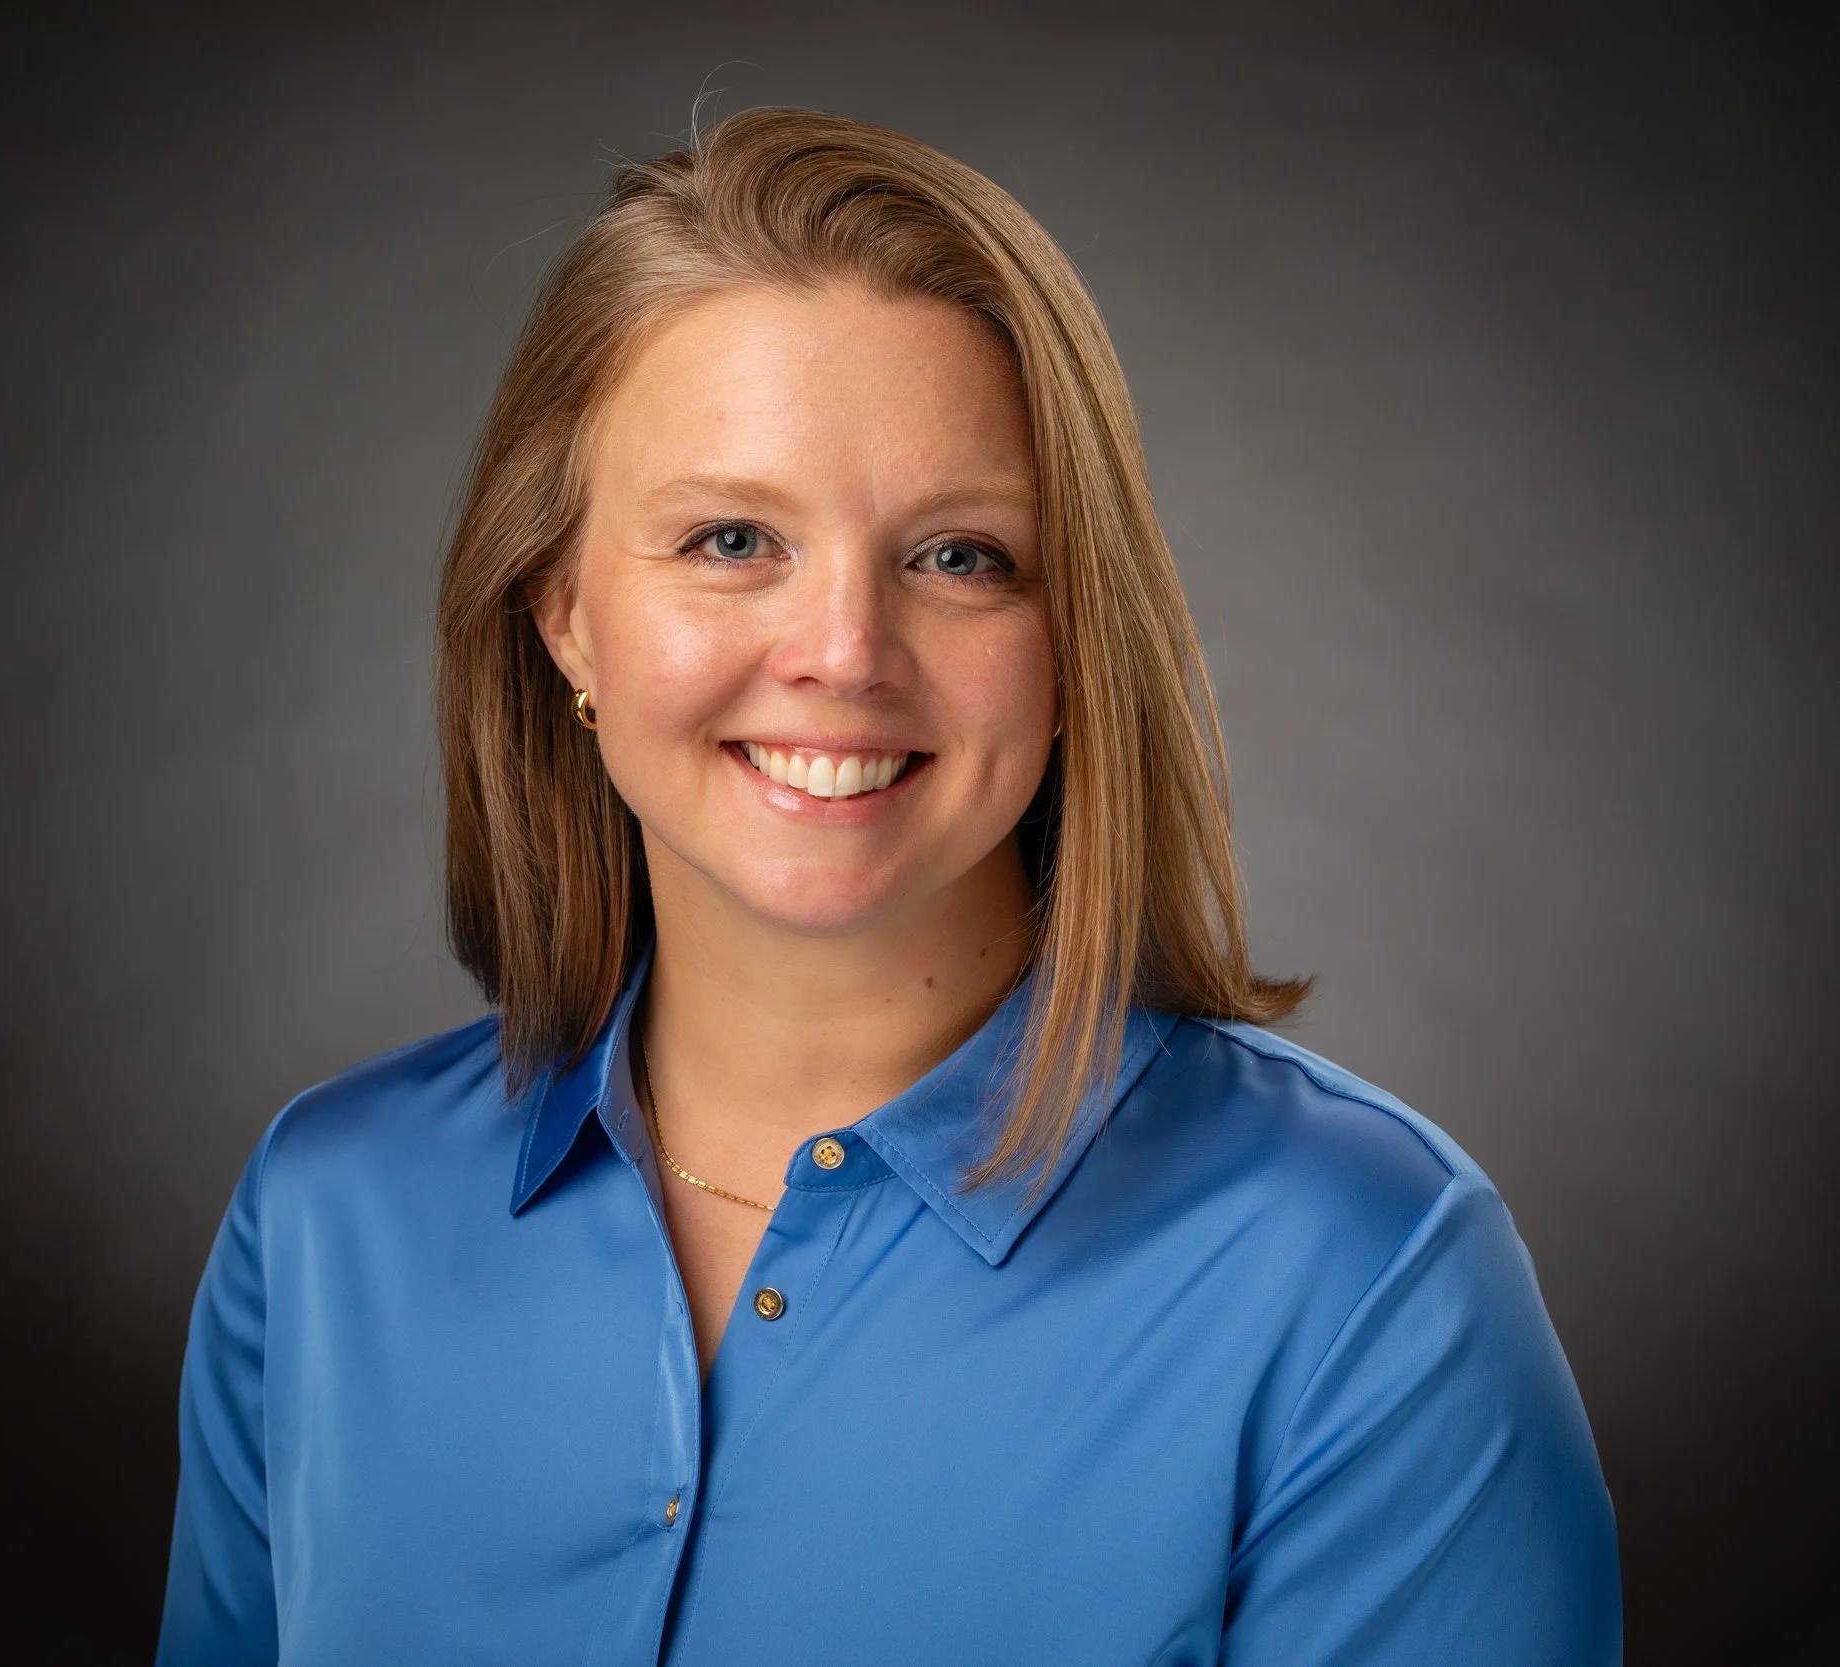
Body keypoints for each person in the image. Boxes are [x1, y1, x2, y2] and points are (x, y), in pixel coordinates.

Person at [156, 108, 1619, 1665]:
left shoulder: (1366, 1284)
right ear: (567, 616)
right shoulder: (323, 1220)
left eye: (962, 557)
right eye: (731, 538)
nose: (844, 652)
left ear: (1075, 647)